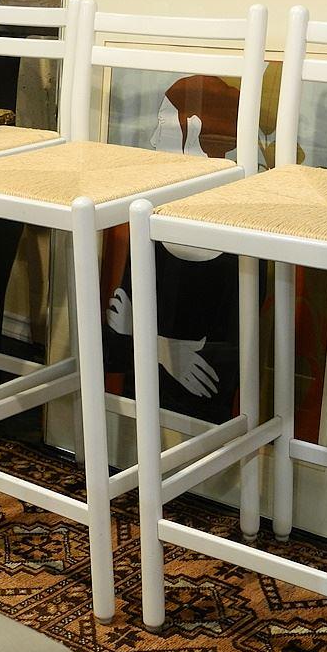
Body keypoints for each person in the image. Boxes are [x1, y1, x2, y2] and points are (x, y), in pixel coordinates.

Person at [103, 74, 247, 423]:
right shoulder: (144, 220)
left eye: (164, 124)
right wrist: (166, 350)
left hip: (207, 426)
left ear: (196, 130)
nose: (152, 139)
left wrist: (146, 339)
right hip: (135, 415)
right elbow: (115, 347)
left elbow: (219, 371)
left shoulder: (240, 244)